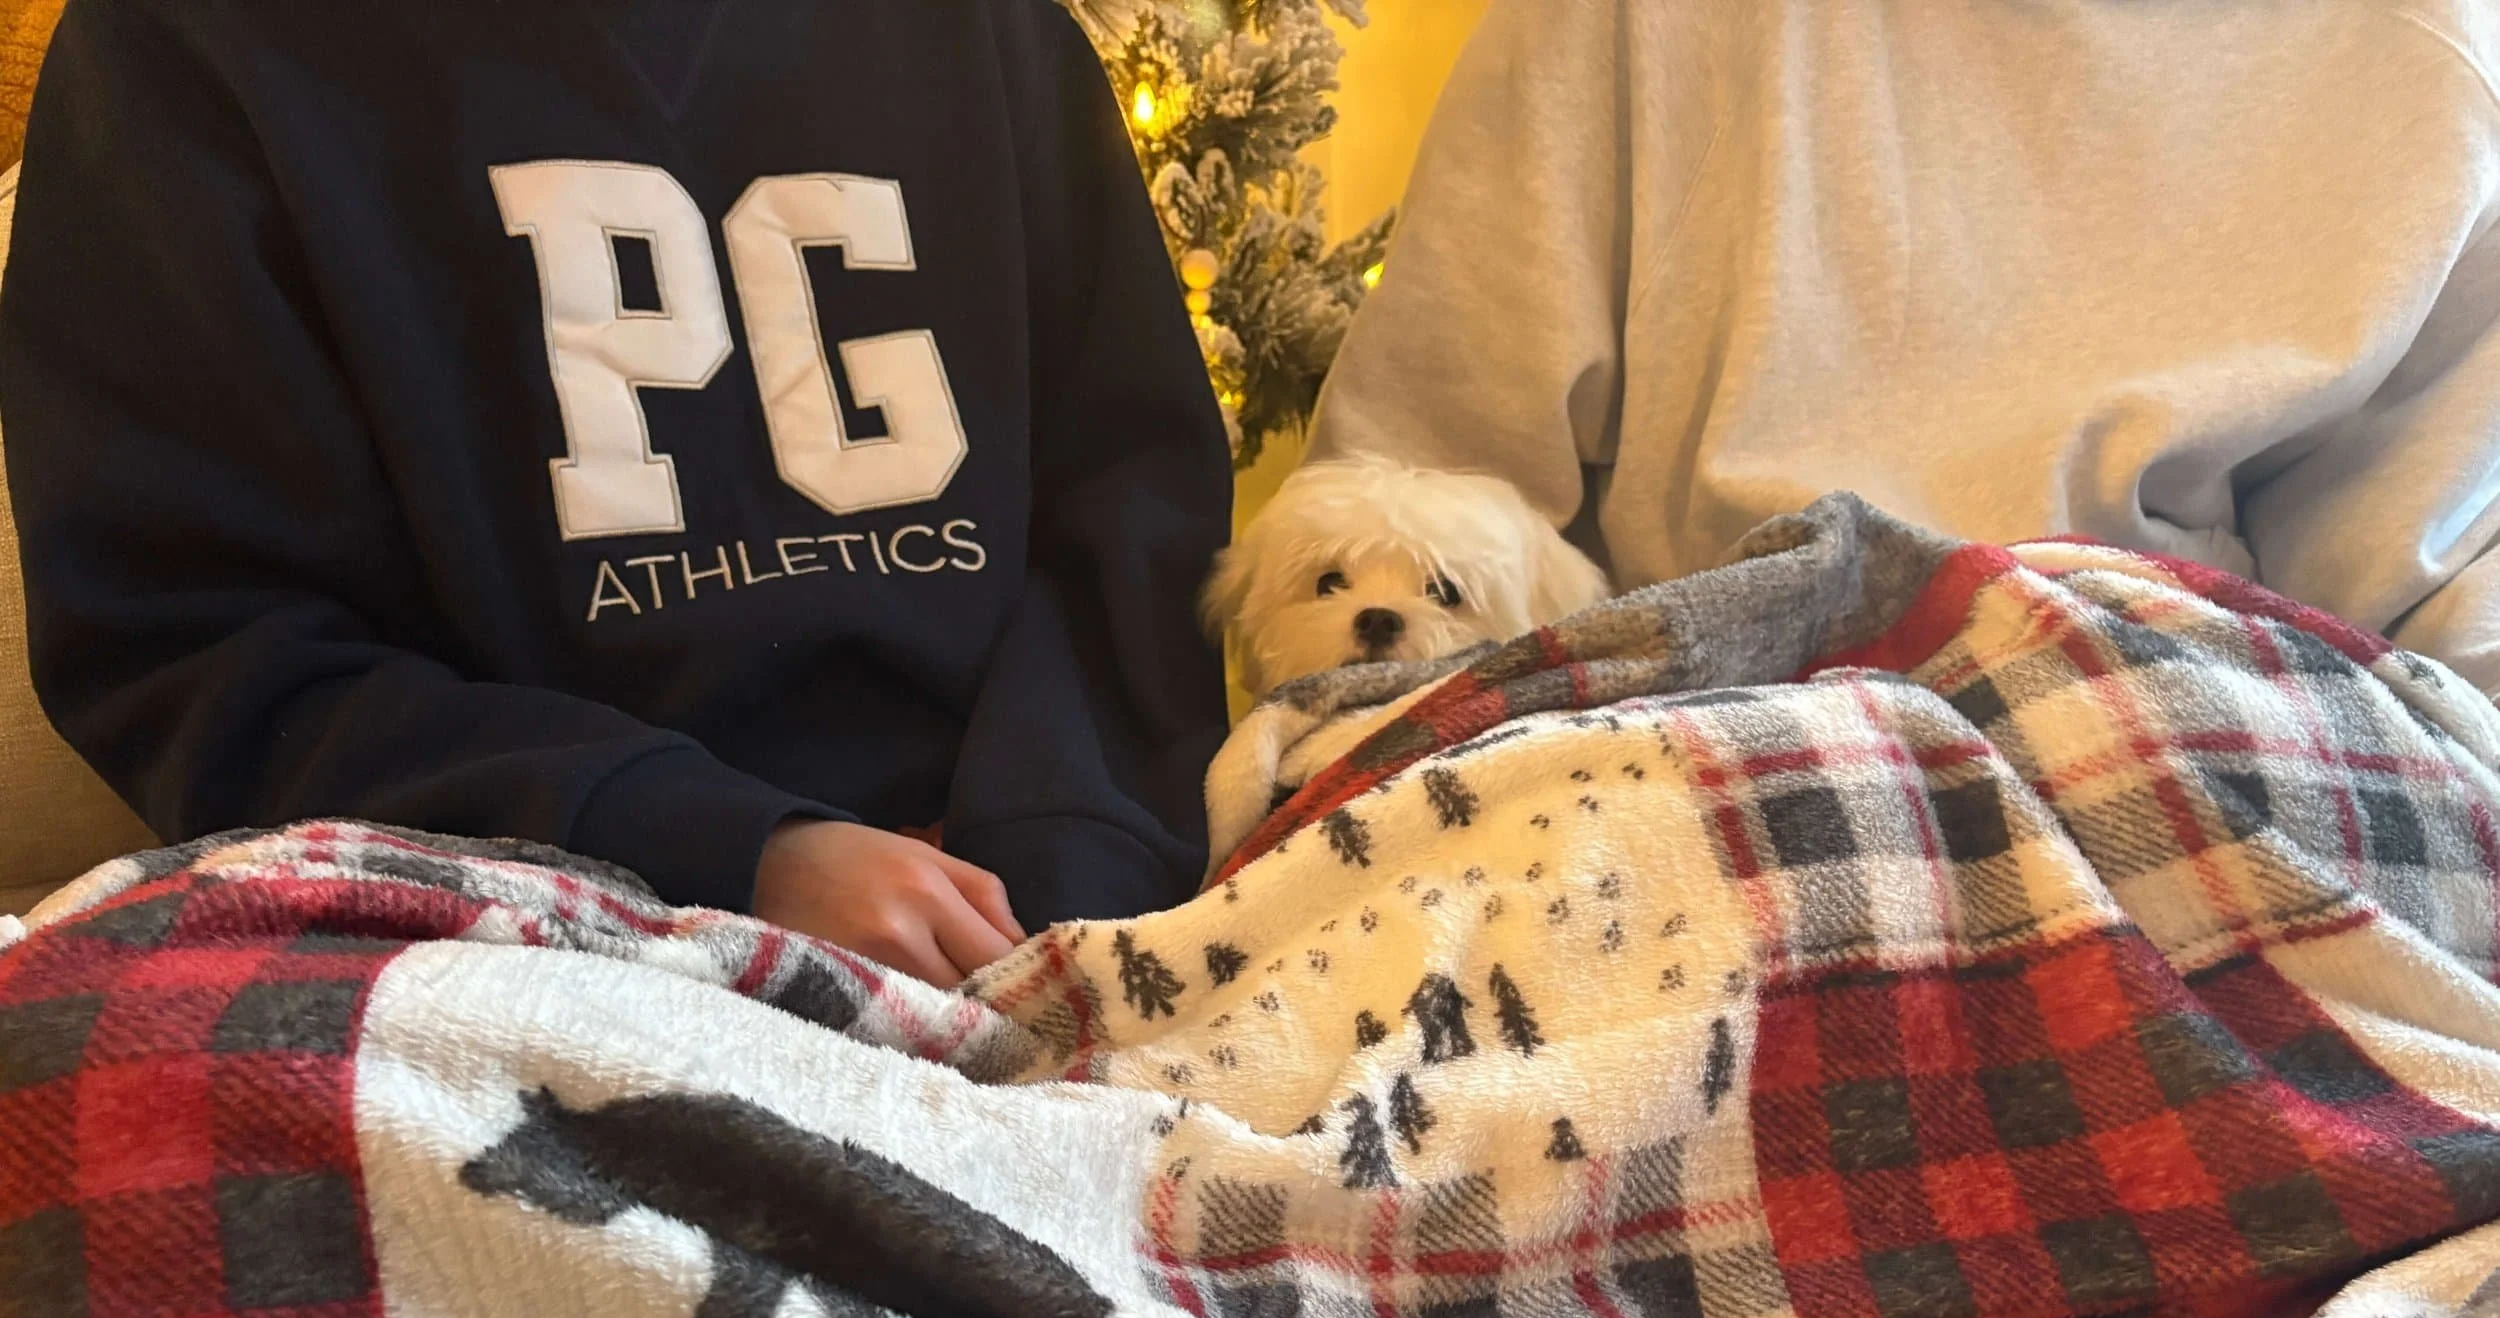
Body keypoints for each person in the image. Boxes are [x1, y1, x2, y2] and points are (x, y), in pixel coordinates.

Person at [1, 0, 1234, 987]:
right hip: (511, 928)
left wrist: (1057, 862)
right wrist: (728, 854)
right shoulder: (178, 54)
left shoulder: (991, 36)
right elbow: (199, 649)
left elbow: (1133, 510)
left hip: (1060, 897)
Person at [1313, 0, 2500, 692]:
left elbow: (2433, 611)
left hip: (2190, 725)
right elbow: (1407, 513)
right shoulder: (1623, 24)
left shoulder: (2429, 63)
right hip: (1694, 714)